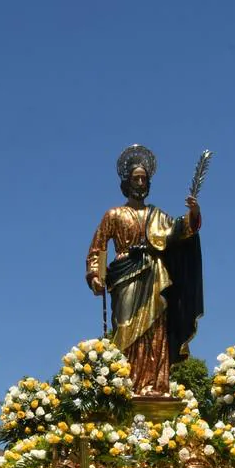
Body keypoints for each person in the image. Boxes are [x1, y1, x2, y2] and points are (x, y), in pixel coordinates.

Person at [85, 144, 203, 395]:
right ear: (127, 183)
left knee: (155, 329)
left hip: (155, 273)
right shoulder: (113, 214)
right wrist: (95, 274)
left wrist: (193, 213)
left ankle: (154, 384)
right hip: (124, 276)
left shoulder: (158, 215)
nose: (140, 182)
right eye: (136, 178)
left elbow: (180, 231)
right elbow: (97, 248)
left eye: (144, 179)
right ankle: (123, 384)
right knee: (125, 328)